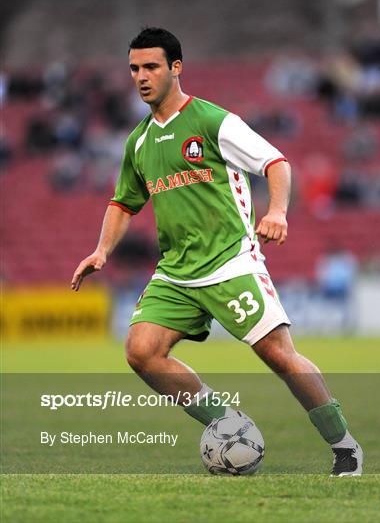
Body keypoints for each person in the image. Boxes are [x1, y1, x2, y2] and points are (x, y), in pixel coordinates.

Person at [71, 27, 363, 476]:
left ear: (176, 68)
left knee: (279, 355)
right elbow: (124, 202)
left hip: (230, 260)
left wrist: (278, 212)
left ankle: (344, 446)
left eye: (151, 66)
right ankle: (226, 422)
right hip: (176, 272)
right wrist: (101, 250)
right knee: (141, 351)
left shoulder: (211, 121)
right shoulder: (139, 142)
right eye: (134, 68)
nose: (141, 77)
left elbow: (276, 163)